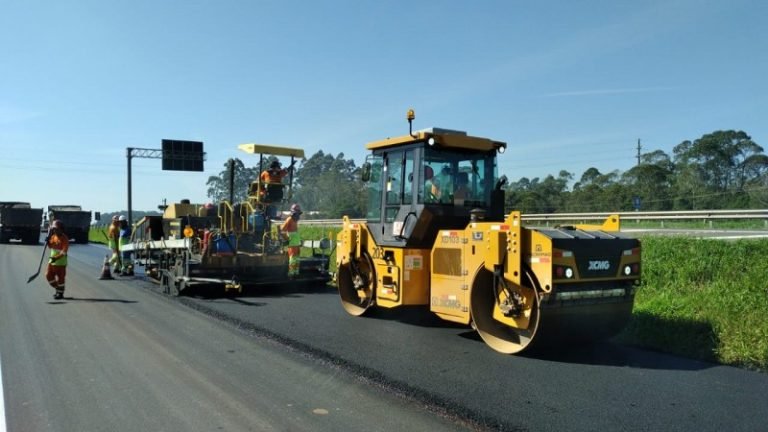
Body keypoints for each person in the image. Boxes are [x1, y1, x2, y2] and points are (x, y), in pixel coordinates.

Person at [46, 220, 70, 299]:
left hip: (60, 262)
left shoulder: (64, 238)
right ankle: (58, 288)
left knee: (61, 278)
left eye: (56, 229)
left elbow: (64, 252)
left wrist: (56, 258)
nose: (54, 230)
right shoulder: (53, 236)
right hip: (52, 261)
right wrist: (48, 241)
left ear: (61, 229)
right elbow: (50, 246)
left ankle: (60, 293)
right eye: (53, 229)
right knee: (48, 275)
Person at [280, 203, 302, 279]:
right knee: (292, 259)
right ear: (293, 213)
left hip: (297, 243)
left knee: (297, 259)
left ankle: (296, 273)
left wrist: (299, 241)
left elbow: (295, 232)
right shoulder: (289, 219)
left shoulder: (295, 221)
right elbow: (282, 230)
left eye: (298, 213)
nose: (298, 215)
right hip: (292, 244)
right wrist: (287, 238)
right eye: (297, 213)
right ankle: (291, 274)